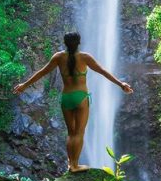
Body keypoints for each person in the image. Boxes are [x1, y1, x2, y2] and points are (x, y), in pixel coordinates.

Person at [13, 32, 133, 172]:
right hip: (81, 97)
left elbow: (41, 72)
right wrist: (121, 84)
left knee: (71, 133)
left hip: (66, 97)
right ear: (79, 43)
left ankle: (70, 164)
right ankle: (75, 165)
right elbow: (103, 71)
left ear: (65, 43)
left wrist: (24, 85)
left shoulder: (58, 57)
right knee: (79, 133)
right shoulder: (85, 57)